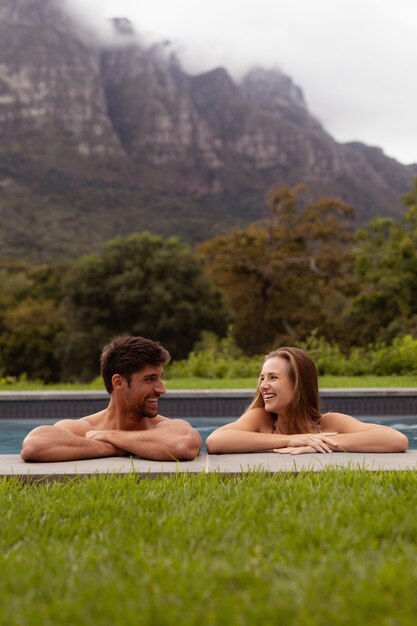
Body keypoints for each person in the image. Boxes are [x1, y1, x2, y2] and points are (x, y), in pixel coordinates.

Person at [21, 336, 202, 462]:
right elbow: (34, 446)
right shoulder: (85, 428)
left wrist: (111, 437)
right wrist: (118, 448)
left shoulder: (162, 427)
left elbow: (184, 444)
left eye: (160, 377)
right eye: (150, 379)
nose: (161, 389)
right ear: (118, 382)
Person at [206, 347, 408, 454]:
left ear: (298, 384)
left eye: (273, 377)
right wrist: (290, 440)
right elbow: (215, 441)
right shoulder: (262, 420)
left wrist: (320, 444)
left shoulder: (328, 424)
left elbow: (396, 440)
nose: (263, 385)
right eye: (262, 378)